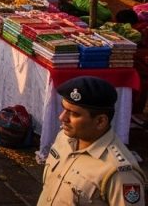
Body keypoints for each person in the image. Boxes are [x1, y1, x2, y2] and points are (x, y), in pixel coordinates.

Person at [38, 76, 146, 206]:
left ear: (100, 121)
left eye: (74, 113)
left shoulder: (119, 173)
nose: (62, 117)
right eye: (64, 109)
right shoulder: (64, 138)